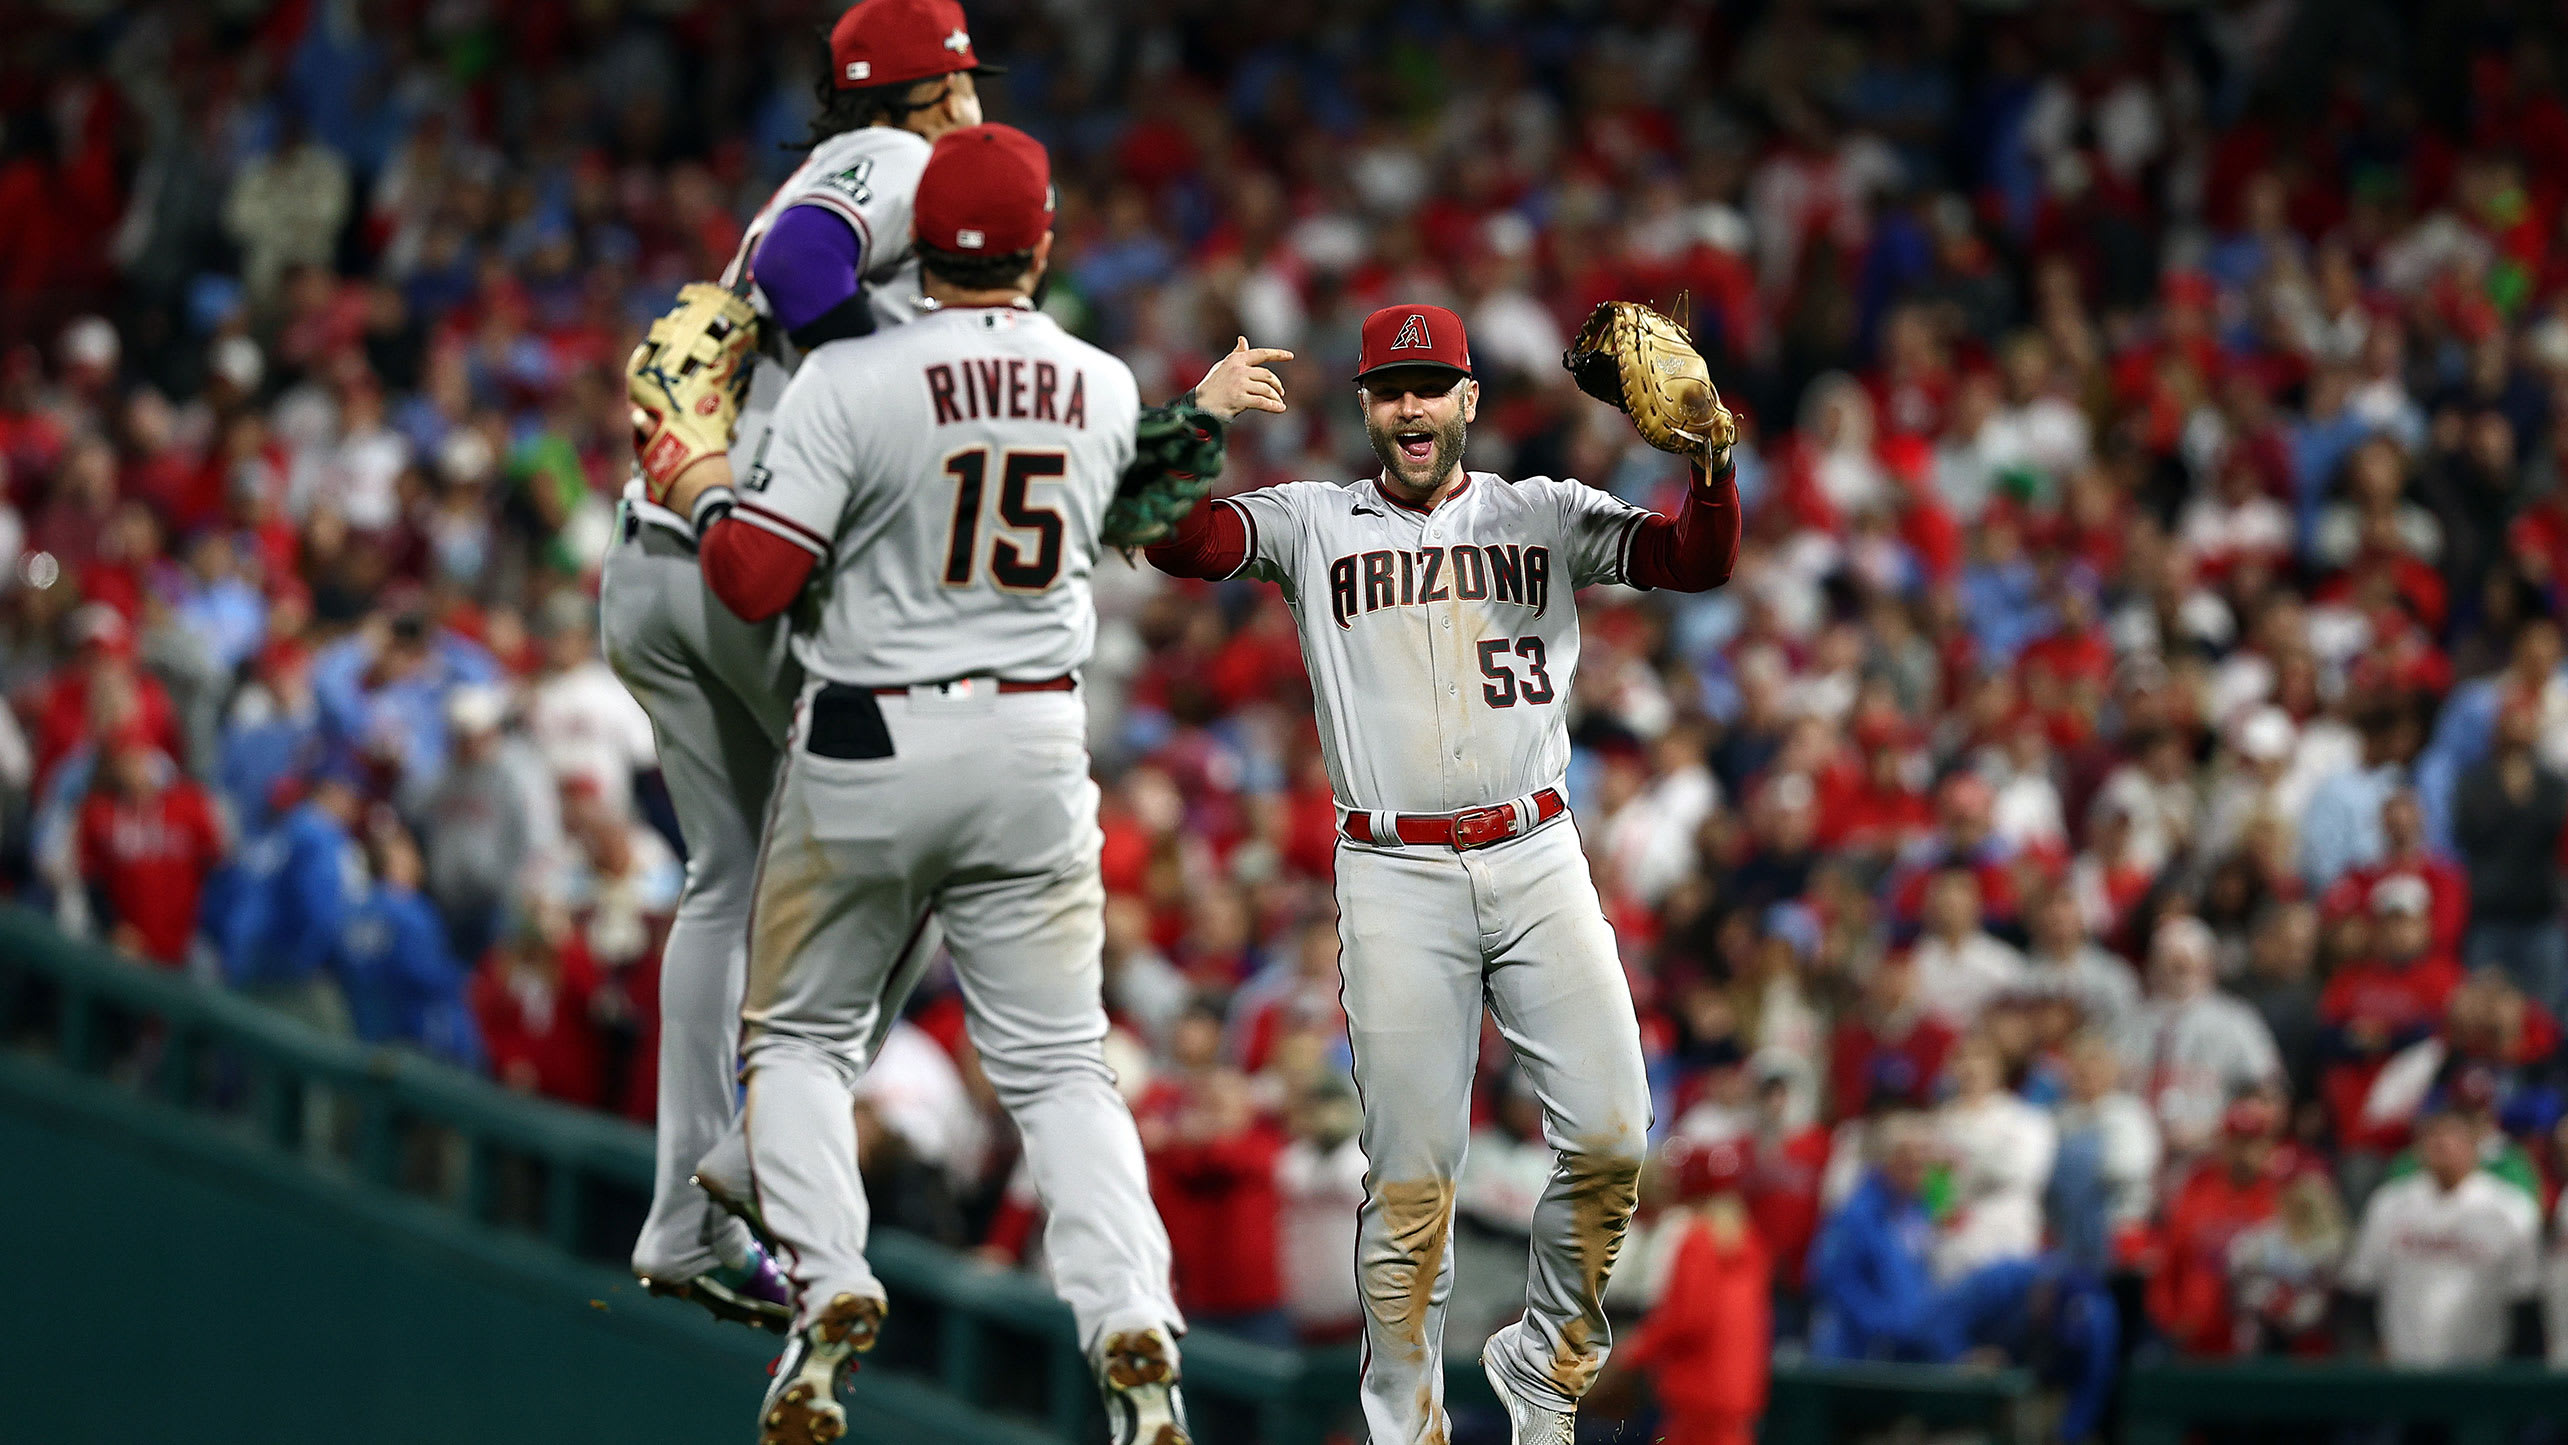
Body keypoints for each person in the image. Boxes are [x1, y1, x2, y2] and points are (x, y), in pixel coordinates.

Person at [692, 124, 1283, 1445]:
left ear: (917, 247)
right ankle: (1134, 1321)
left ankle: (829, 1287)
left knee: (797, 1040)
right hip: (1033, 744)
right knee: (1065, 1069)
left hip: (872, 736)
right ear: (1045, 245)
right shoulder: (1103, 381)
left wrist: (702, 480)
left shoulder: (852, 374)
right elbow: (1149, 520)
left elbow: (752, 580)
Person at [1142, 299, 1742, 1445]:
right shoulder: (1315, 519)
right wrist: (1192, 421)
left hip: (1535, 849)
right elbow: (1182, 541)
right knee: (1412, 1178)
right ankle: (1405, 1425)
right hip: (1393, 866)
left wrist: (1713, 465)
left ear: (1470, 399)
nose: (1409, 405)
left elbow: (1691, 562)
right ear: (1367, 407)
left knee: (1615, 1133)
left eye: (1430, 384)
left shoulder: (1543, 510)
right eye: (1388, 388)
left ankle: (1545, 1371)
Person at [604, 0, 999, 1329]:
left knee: (726, 878)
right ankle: (762, 1155)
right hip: (751, 561)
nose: (974, 104)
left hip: (658, 558)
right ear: (926, 88)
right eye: (961, 80)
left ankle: (684, 1218)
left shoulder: (860, 161)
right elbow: (805, 266)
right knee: (935, 844)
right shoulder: (892, 162)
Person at [2339, 1107, 2544, 1365]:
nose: (2442, 1144)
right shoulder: (2389, 1203)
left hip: (2483, 1365)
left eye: (2452, 1136)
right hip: (2402, 1362)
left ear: (2474, 1145)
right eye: (2433, 1136)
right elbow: (2363, 1285)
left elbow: (2524, 1295)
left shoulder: (2510, 1207)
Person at [1619, 1138, 1772, 1445]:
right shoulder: (1750, 1239)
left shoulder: (1698, 1239)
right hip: (1737, 1391)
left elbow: (1688, 1318)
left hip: (1699, 1391)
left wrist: (1633, 1352)